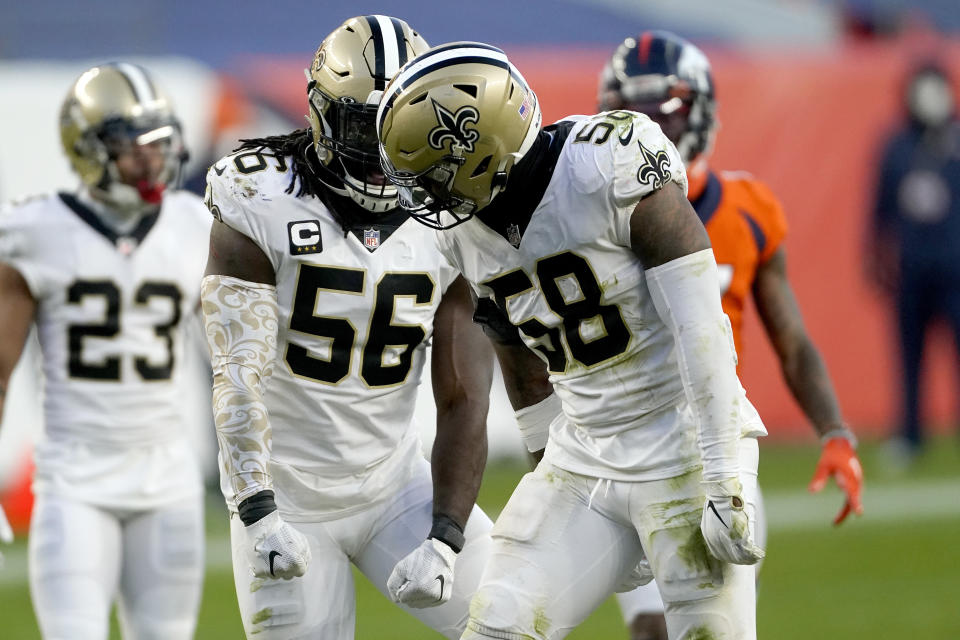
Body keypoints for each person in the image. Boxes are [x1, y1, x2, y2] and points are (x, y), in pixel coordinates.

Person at [378, 42, 766, 640]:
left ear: (480, 153)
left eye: (432, 177)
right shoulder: (466, 233)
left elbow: (701, 325)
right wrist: (543, 471)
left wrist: (725, 473)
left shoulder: (607, 162)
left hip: (682, 437)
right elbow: (523, 367)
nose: (423, 197)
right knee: (498, 626)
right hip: (584, 457)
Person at [200, 16, 495, 639]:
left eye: (402, 124)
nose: (387, 150)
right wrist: (256, 512)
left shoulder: (450, 212)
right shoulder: (260, 195)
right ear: (322, 115)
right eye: (367, 126)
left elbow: (464, 395)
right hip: (288, 500)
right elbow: (237, 372)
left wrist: (445, 536)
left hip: (395, 482)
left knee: (517, 619)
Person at [595, 30, 866, 640]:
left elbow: (790, 341)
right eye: (629, 114)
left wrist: (835, 432)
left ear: (701, 112)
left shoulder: (746, 209)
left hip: (715, 450)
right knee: (654, 630)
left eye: (665, 112)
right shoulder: (589, 213)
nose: (648, 130)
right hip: (620, 444)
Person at [0, 63, 209, 639]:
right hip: (75, 482)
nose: (151, 160)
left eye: (159, 142)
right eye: (132, 147)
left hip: (168, 479)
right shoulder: (34, 229)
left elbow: (238, 363)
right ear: (88, 150)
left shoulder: (195, 225)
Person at [866, 60, 960, 463]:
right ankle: (910, 434)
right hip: (912, 269)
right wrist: (873, 257)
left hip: (955, 268)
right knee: (909, 356)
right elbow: (879, 209)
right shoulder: (896, 145)